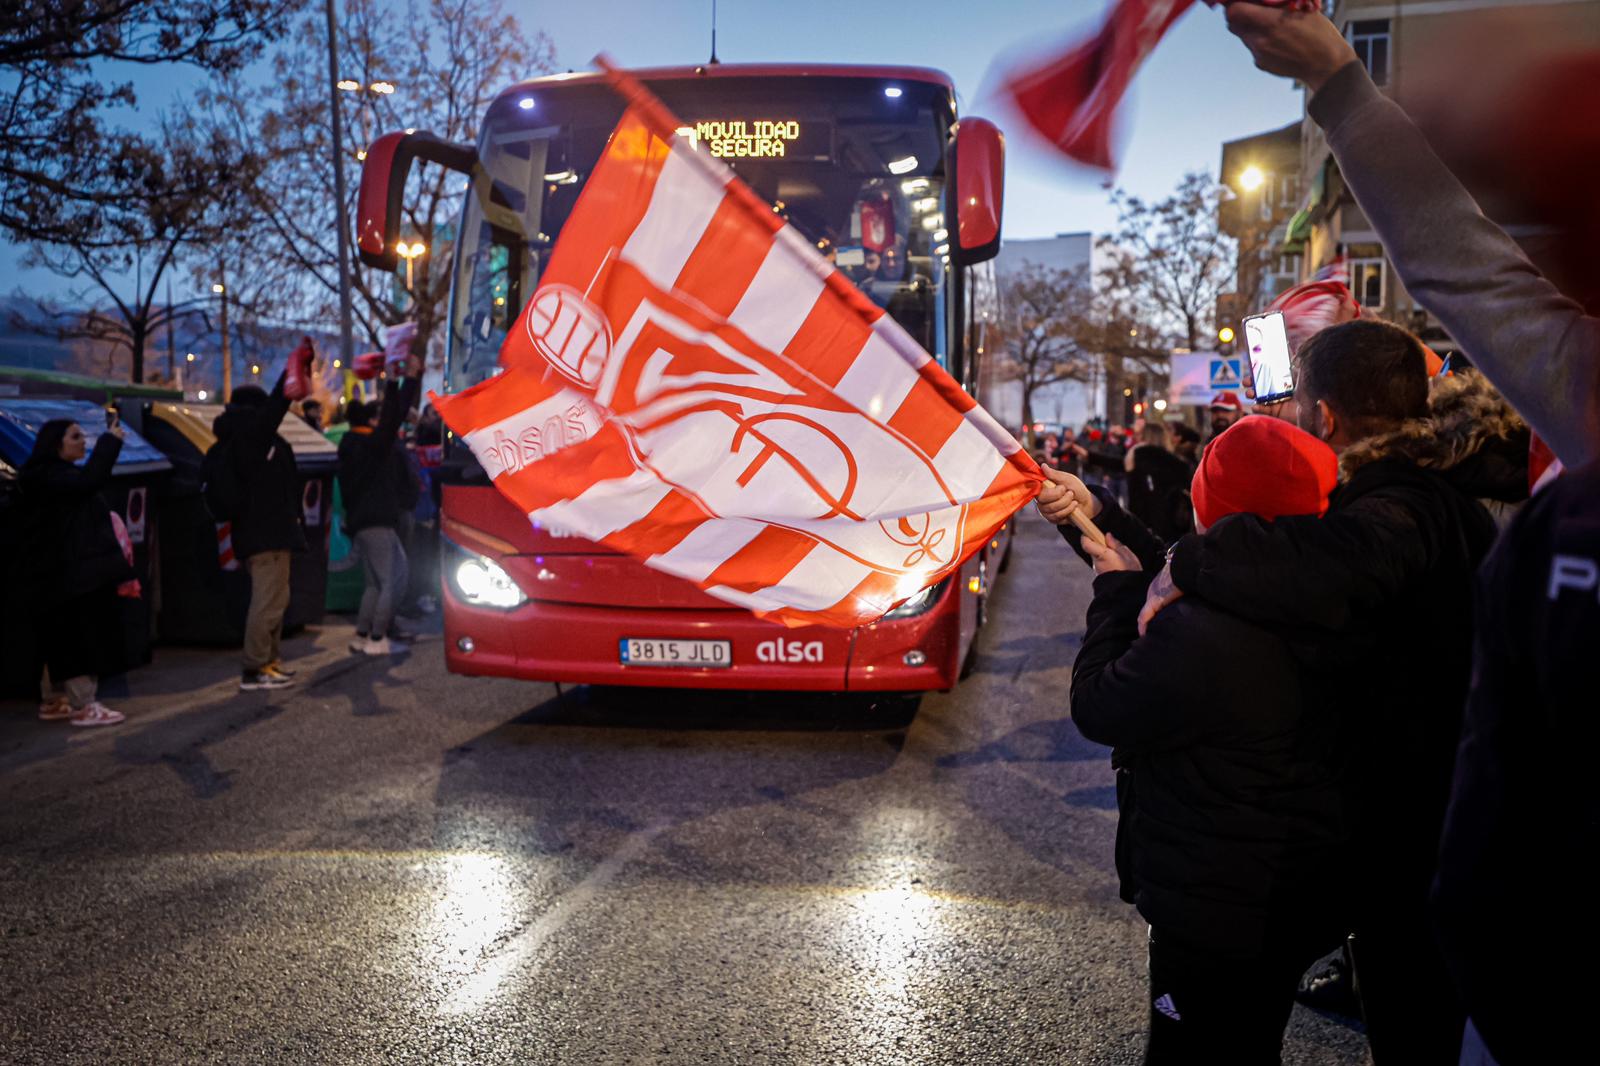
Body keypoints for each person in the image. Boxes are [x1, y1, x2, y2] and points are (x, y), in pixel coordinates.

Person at [1140, 319, 1505, 1063]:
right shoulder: (1433, 494)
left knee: (1414, 1023)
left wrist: (1196, 559)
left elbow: (1319, 568)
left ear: (1326, 416)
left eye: (1301, 404)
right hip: (1425, 816)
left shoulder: (1397, 506)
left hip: (1414, 831)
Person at [1038, 415, 1349, 1064]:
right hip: (1294, 885)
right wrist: (1096, 513)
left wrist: (1114, 596)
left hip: (1212, 902)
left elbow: (1099, 705)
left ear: (1210, 502)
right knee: (1253, 1041)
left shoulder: (1204, 631)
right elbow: (1176, 565)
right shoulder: (1314, 580)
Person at [1221, 3, 1600, 471]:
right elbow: (1466, 276)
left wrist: (1337, 81)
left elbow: (1462, 267)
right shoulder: (1550, 423)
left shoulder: (1578, 403)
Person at [19, 419, 135, 727]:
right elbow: (90, 482)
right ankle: (84, 706)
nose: (83, 441)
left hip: (53, 574)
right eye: (75, 437)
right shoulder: (52, 477)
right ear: (56, 444)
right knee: (78, 638)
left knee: (56, 637)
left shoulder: (42, 476)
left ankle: (52, 700)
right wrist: (110, 442)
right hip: (67, 574)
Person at [213, 372, 304, 691]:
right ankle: (255, 667)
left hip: (260, 532)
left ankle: (269, 662)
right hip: (266, 534)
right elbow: (275, 409)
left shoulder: (236, 439)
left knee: (275, 600)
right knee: (267, 603)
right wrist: (290, 374)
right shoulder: (251, 439)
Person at [337, 355, 422, 655]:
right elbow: (393, 416)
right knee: (393, 580)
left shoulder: (349, 446)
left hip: (361, 521)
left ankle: (362, 635)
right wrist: (399, 380)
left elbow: (391, 417)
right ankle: (377, 639)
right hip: (378, 521)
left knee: (374, 583)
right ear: (370, 421)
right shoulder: (373, 446)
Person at [1123, 422, 1194, 543]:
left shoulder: (1142, 457)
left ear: (1148, 436)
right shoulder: (1177, 462)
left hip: (1148, 525)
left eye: (1140, 435)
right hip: (1172, 526)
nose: (1137, 438)